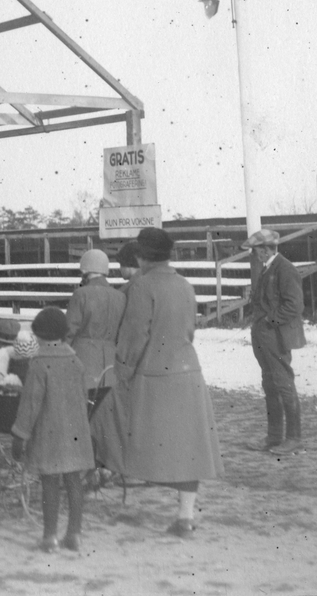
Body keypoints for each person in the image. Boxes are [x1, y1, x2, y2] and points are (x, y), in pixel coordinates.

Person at [96, 228, 224, 537]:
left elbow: (135, 334)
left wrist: (123, 371)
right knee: (188, 448)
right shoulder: (184, 284)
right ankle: (185, 516)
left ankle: (104, 472)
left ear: (141, 257)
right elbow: (189, 330)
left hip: (154, 375)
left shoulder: (142, 285)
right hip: (188, 372)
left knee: (111, 420)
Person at [10, 306, 94, 553]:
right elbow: (83, 397)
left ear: (40, 335)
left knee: (49, 482)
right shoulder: (76, 361)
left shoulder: (39, 364)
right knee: (74, 481)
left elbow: (30, 405)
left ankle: (49, 538)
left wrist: (19, 435)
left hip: (49, 433)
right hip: (76, 432)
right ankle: (75, 535)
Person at [242, 229, 307, 454]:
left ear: (267, 249)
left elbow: (294, 305)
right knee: (270, 386)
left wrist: (270, 320)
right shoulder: (268, 268)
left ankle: (293, 438)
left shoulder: (285, 268)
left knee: (283, 385)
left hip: (276, 337)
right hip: (264, 337)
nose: (254, 254)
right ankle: (274, 437)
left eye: (256, 250)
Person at [66, 249, 126, 390]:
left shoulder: (81, 294)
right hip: (111, 364)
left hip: (83, 359)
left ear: (85, 270)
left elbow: (68, 331)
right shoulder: (120, 296)